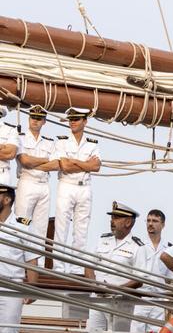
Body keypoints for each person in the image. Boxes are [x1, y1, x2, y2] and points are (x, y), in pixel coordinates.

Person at [82, 202, 144, 333]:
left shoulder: (137, 247)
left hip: (121, 302)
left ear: (128, 222)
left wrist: (116, 289)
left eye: (116, 218)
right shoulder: (102, 241)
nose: (112, 221)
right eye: (112, 217)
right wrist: (95, 285)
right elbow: (89, 266)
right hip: (98, 300)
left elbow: (139, 279)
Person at [125, 208, 173, 333]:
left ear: (162, 224)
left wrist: (169, 304)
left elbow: (169, 280)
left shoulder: (168, 249)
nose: (150, 224)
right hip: (142, 298)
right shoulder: (138, 247)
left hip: (158, 302)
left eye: (154, 221)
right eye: (148, 220)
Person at [0, 183, 39, 333]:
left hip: (12, 288)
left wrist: (31, 288)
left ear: (6, 199)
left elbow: (31, 259)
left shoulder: (22, 224)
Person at [52, 107, 101, 273]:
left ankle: (76, 268)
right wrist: (85, 164)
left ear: (85, 121)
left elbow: (96, 167)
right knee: (61, 227)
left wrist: (76, 162)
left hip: (85, 188)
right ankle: (58, 267)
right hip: (66, 185)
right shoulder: (61, 141)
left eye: (76, 119)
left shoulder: (92, 143)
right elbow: (65, 166)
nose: (72, 122)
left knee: (81, 230)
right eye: (71, 119)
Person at [14, 105, 58, 241]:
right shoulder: (20, 137)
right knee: (21, 224)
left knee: (40, 228)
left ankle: (36, 262)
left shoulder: (49, 142)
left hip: (44, 185)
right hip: (27, 182)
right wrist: (45, 160)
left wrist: (35, 164)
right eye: (33, 117)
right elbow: (25, 161)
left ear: (44, 121)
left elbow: (56, 164)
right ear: (29, 118)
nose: (35, 120)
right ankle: (16, 259)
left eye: (39, 118)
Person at [0, 107, 18, 186]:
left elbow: (10, 153)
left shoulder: (10, 129)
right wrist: (2, 147)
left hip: (2, 174)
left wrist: (7, 150)